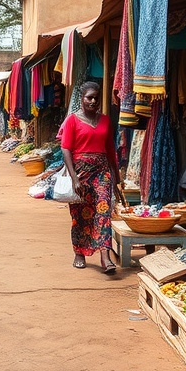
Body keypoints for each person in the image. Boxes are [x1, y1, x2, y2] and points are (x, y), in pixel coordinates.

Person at [60, 81, 125, 274]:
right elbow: (65, 149)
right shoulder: (72, 120)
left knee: (103, 211)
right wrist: (74, 178)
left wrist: (116, 179)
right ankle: (79, 252)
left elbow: (110, 150)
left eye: (96, 97)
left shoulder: (105, 120)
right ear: (81, 98)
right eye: (89, 97)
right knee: (80, 214)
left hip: (102, 171)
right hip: (81, 172)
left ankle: (105, 255)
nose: (93, 101)